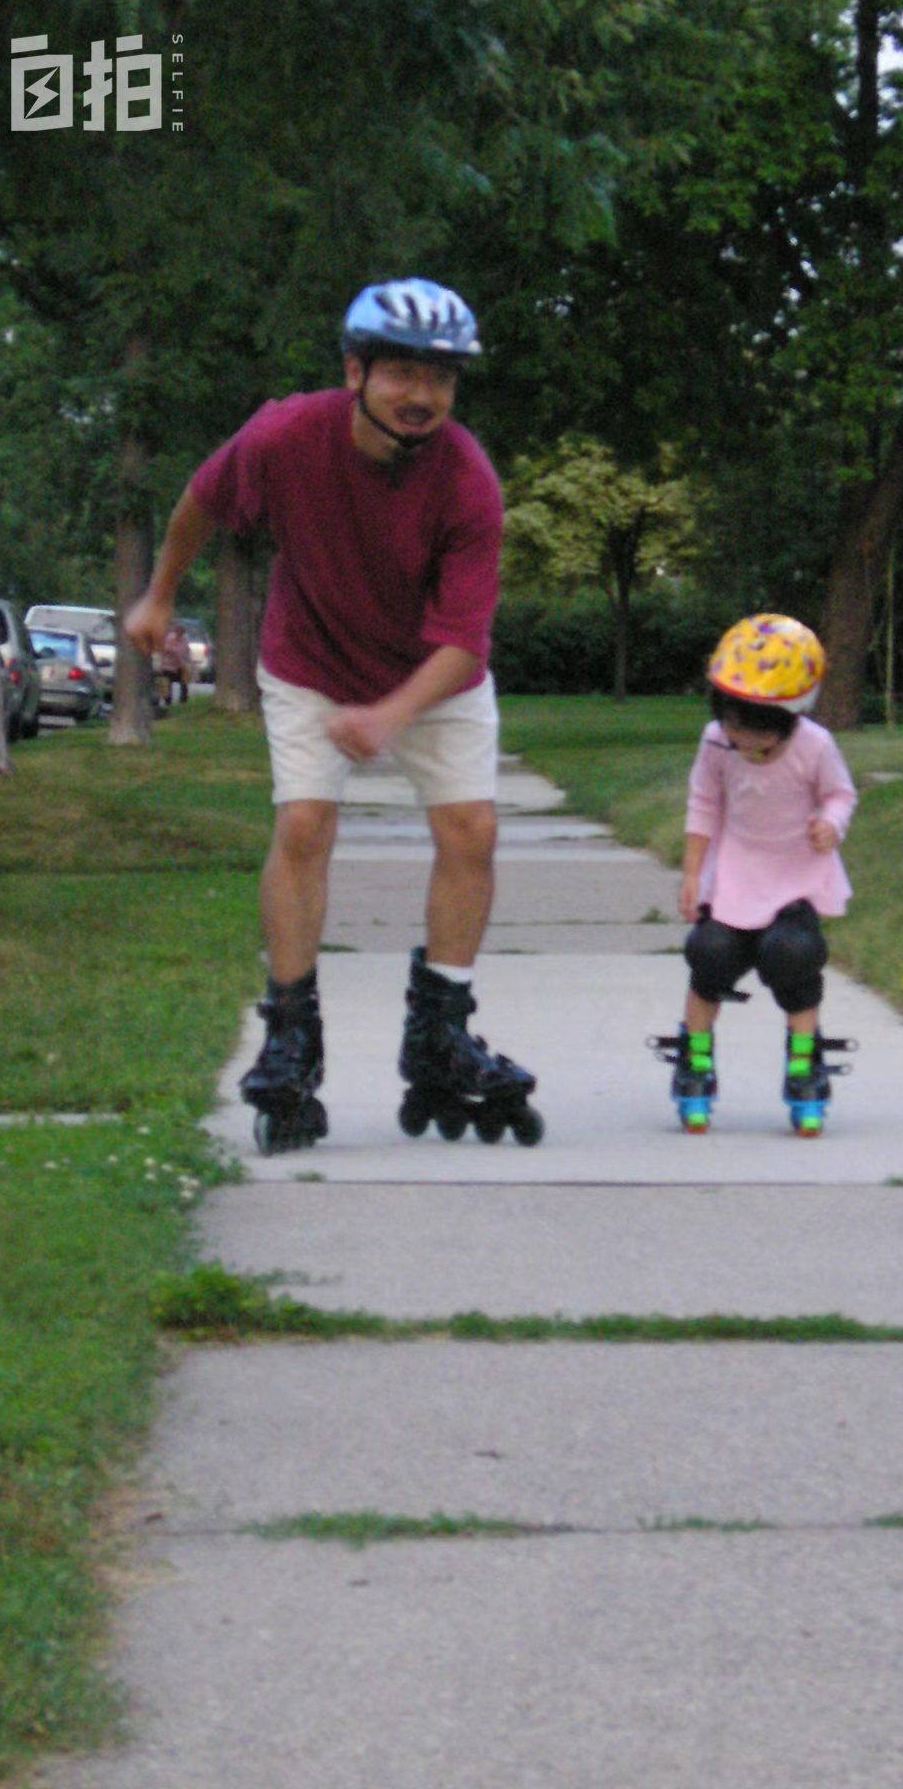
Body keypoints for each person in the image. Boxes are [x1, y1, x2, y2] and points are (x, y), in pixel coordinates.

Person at [124, 277, 538, 1153]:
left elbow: (463, 642)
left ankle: (440, 1032)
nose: (423, 395)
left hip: (431, 678)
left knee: (471, 831)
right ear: (355, 371)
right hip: (309, 656)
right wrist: (158, 596)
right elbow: (200, 502)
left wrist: (389, 714)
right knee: (305, 823)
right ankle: (291, 1034)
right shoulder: (283, 437)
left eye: (441, 378)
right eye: (403, 373)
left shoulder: (468, 481)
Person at [655, 613, 858, 1137]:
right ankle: (695, 1058)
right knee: (710, 953)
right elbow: (704, 804)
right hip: (735, 878)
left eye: (757, 732)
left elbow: (840, 793)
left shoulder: (814, 745)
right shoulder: (716, 742)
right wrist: (692, 874)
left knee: (793, 956)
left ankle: (804, 1063)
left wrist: (831, 824)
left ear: (792, 716)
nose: (741, 741)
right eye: (732, 724)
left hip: (796, 879)